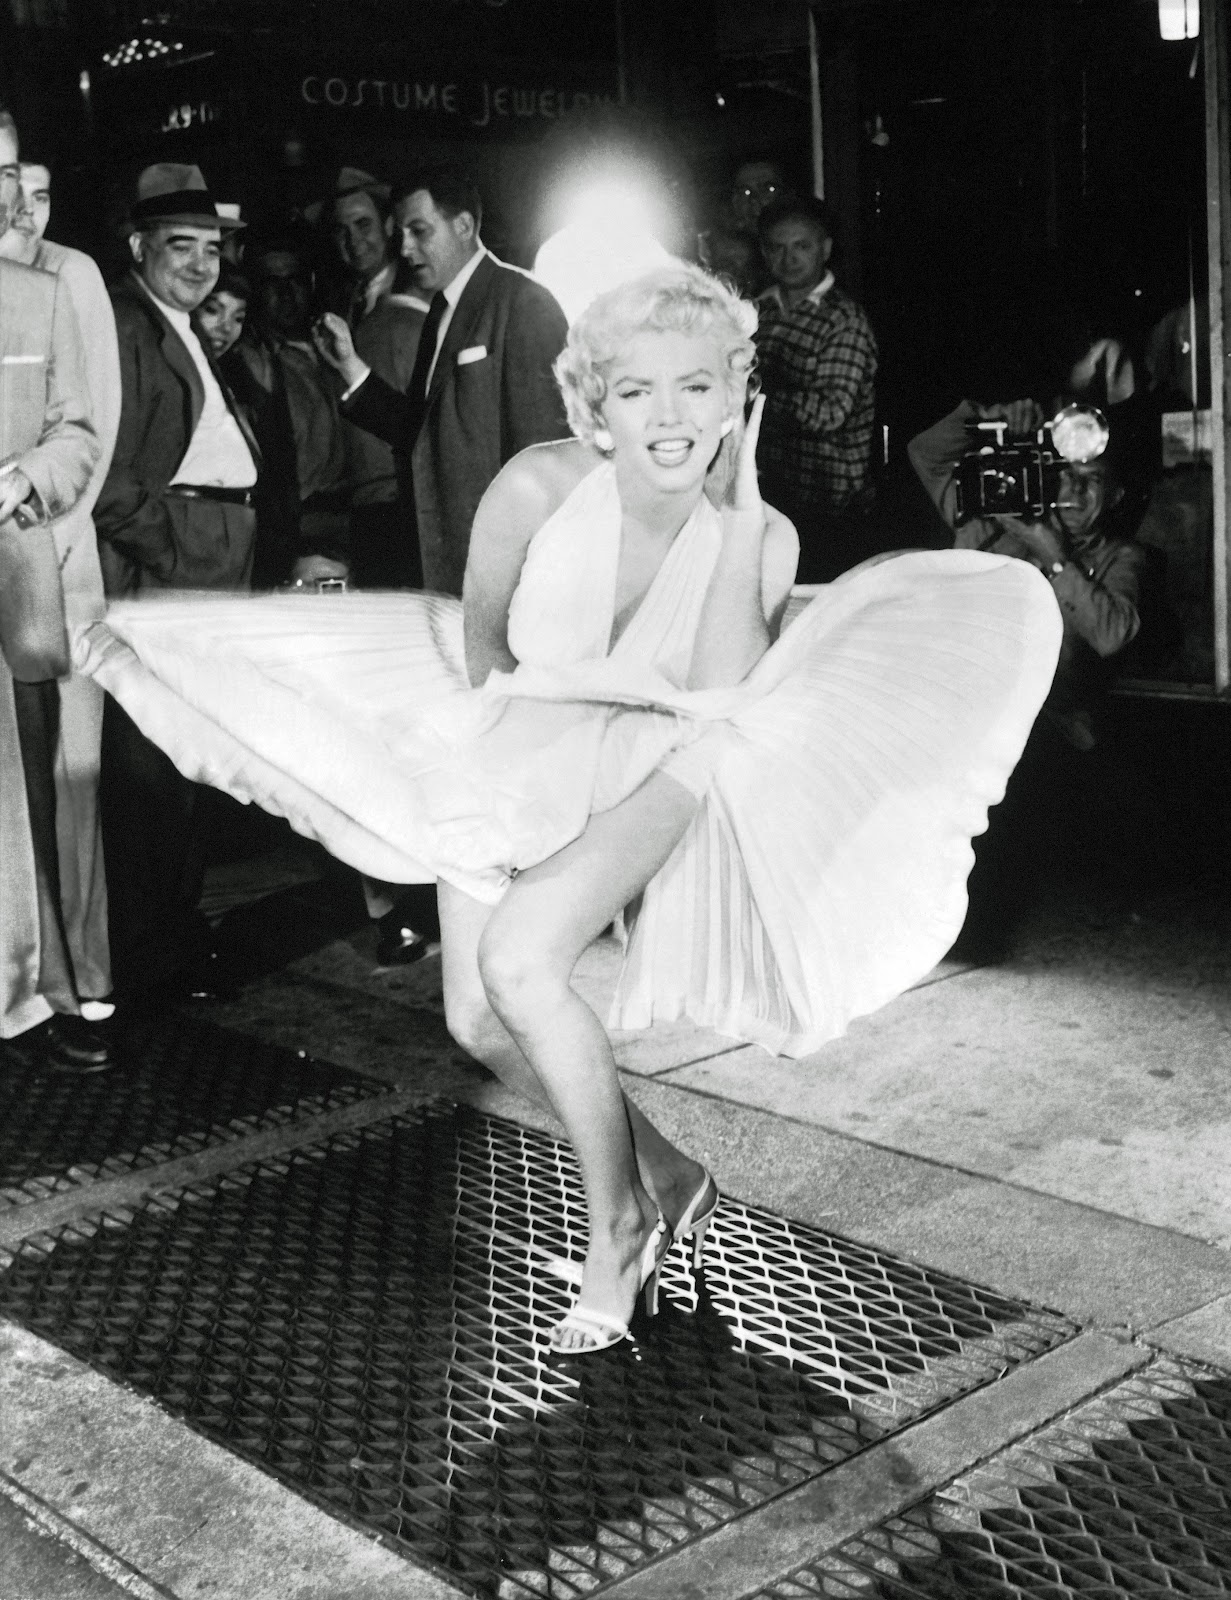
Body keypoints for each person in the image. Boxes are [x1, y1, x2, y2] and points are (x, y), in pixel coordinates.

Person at [75, 262, 1061, 1351]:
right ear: (596, 401)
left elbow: (718, 693)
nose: (669, 416)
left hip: (674, 758)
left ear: (736, 394)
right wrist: (521, 788)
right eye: (637, 390)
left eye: (696, 386)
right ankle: (671, 1178)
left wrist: (736, 523)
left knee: (521, 964)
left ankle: (619, 1228)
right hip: (522, 740)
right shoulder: (535, 486)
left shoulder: (763, 533)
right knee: (478, 1021)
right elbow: (485, 652)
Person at [94, 162, 261, 1006]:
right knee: (153, 774)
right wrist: (175, 551)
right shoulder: (127, 324)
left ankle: (173, 938)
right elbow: (106, 471)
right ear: (138, 247)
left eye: (211, 249)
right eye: (180, 246)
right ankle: (148, 959)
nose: (201, 264)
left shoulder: (179, 324)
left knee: (189, 766)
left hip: (211, 559)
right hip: (173, 569)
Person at [908, 395, 1146, 956]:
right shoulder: (993, 519)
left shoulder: (1121, 557)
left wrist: (1056, 558)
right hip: (969, 709)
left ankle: (975, 924)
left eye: (1092, 481)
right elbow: (926, 454)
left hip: (1048, 723)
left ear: (1115, 495)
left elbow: (1112, 632)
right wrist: (982, 415)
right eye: (1065, 475)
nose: (1074, 491)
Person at [317, 164, 572, 598]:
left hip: (504, 568)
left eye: (419, 232)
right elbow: (421, 432)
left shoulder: (523, 301)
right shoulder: (440, 312)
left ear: (464, 226)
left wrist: (534, 575)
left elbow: (547, 454)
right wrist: (350, 368)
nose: (405, 248)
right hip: (447, 560)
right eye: (400, 234)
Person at [0, 130, 120, 1035]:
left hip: (21, 580)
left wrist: (24, 482)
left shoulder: (47, 293)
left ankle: (44, 986)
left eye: (9, 173)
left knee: (32, 802)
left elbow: (81, 435)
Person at [754, 195, 878, 582]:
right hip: (766, 496)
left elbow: (830, 413)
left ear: (825, 249)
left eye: (802, 246)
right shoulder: (756, 312)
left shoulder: (843, 319)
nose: (788, 258)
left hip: (827, 507)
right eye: (777, 247)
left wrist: (752, 400)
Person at [317, 166, 426, 590]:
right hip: (361, 505)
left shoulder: (421, 296)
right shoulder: (345, 303)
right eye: (341, 230)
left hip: (407, 502)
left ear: (388, 226)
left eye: (363, 224)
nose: (353, 240)